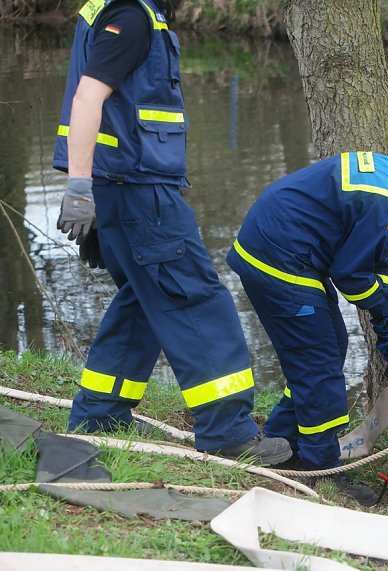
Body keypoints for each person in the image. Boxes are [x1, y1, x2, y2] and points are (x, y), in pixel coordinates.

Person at [52, 0, 292, 466]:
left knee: (143, 300)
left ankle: (100, 414)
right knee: (196, 301)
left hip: (121, 186)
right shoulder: (133, 17)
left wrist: (89, 186)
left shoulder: (113, 9)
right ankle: (227, 431)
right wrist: (79, 187)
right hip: (139, 190)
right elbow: (88, 96)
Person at [227, 147, 388, 503]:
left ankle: (280, 441)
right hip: (279, 258)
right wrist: (384, 313)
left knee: (331, 347)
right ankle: (320, 468)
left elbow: (376, 256)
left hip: (281, 246)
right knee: (319, 360)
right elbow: (350, 274)